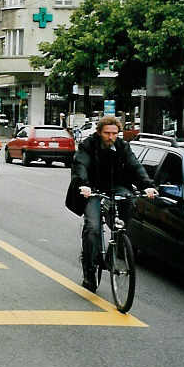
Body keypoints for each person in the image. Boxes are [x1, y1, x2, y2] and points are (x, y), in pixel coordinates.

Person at [66, 116, 157, 292]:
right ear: (99, 132)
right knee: (93, 227)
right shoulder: (88, 145)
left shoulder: (123, 146)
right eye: (107, 133)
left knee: (129, 203)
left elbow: (135, 166)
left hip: (117, 187)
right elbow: (80, 165)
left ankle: (116, 244)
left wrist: (147, 185)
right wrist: (83, 184)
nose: (111, 137)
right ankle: (89, 270)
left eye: (114, 133)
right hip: (92, 188)